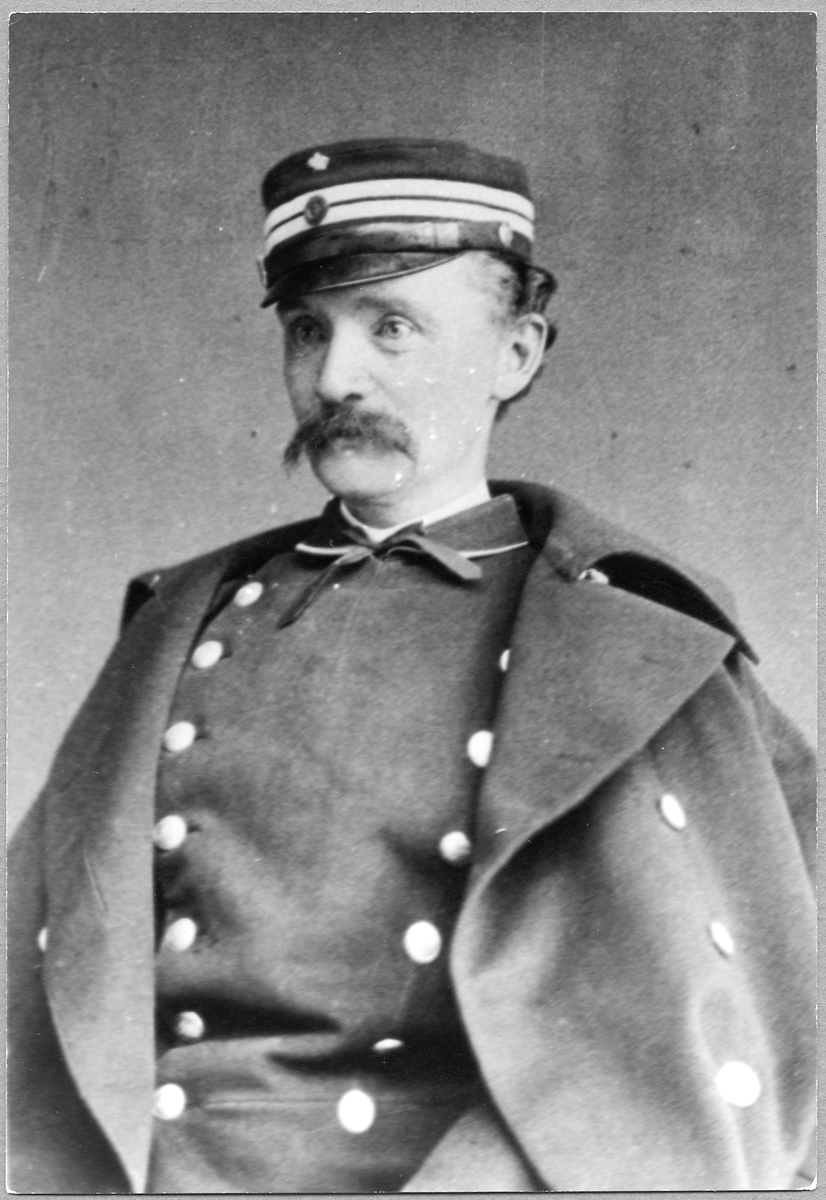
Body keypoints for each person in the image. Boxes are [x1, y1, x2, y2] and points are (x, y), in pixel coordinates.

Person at [8, 138, 815, 1194]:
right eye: (309, 329)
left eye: (391, 326)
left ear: (515, 353)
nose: (335, 377)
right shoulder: (180, 618)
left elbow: (675, 1052)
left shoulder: (630, 638)